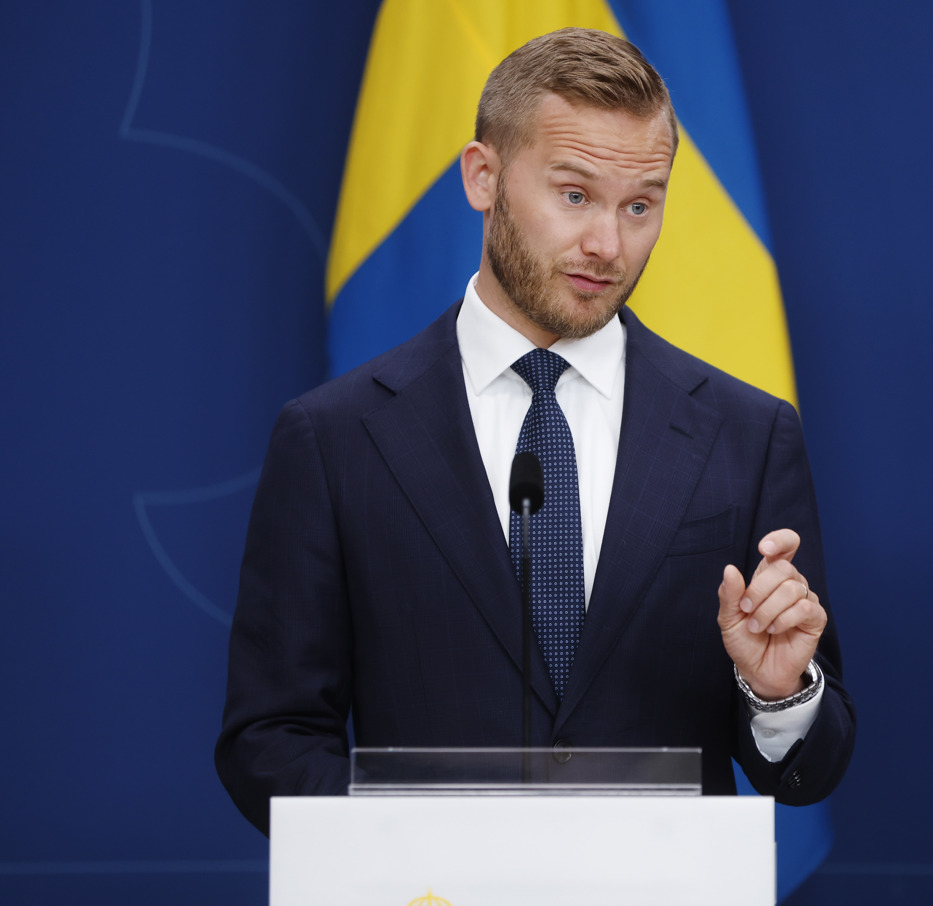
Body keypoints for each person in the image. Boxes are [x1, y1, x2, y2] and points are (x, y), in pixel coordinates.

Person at [215, 27, 854, 834]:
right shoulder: (335, 438)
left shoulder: (747, 433)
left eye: (641, 205)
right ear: (483, 178)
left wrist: (777, 694)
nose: (607, 245)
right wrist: (422, 851)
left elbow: (811, 767)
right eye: (575, 194)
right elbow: (268, 739)